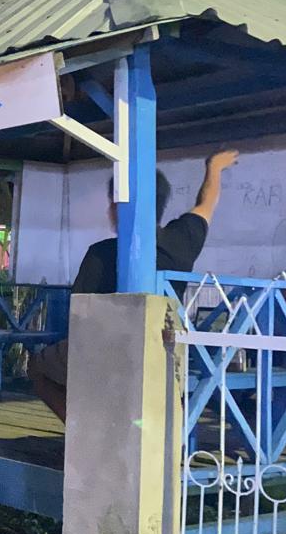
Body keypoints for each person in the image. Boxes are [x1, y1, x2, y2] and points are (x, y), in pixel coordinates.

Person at [28, 149, 239, 422]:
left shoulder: (99, 254)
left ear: (119, 207)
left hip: (107, 354)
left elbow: (79, 316)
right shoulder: (181, 242)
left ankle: (82, 427)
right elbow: (206, 203)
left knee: (38, 368)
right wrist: (214, 167)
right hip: (166, 353)